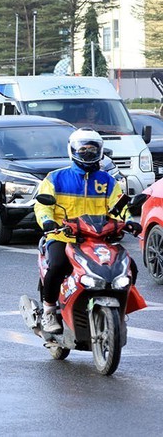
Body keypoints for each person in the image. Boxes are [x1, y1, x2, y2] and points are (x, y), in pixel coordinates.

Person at [34, 129, 140, 334]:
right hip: (63, 236)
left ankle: (120, 311)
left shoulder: (107, 181)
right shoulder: (55, 178)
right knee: (57, 265)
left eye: (92, 148)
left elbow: (119, 208)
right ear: (73, 150)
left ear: (100, 150)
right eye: (83, 148)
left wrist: (128, 222)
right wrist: (47, 222)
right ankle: (48, 311)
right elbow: (42, 206)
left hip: (99, 238)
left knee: (130, 268)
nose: (87, 152)